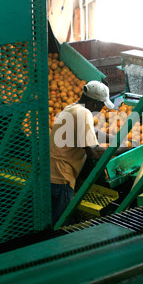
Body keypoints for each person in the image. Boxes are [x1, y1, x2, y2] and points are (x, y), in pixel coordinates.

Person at [50, 80, 128, 226]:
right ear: (94, 104)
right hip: (61, 178)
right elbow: (93, 152)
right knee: (63, 226)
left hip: (51, 174)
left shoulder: (72, 108)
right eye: (102, 106)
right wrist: (122, 150)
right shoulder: (84, 113)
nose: (102, 109)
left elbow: (93, 131)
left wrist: (115, 140)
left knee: (54, 222)